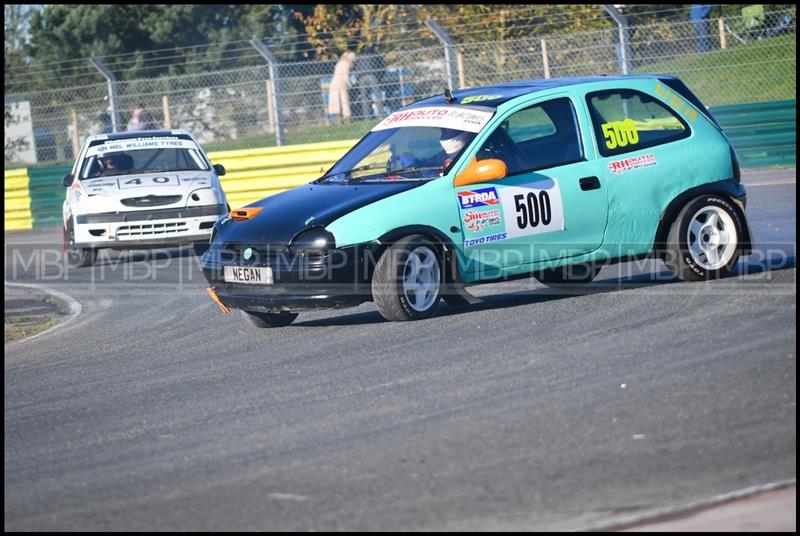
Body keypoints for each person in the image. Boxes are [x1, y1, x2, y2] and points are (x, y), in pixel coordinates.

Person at [354, 46, 387, 119]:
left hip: (361, 76)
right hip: (373, 75)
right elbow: (383, 66)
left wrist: (357, 78)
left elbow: (355, 67)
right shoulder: (375, 55)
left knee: (364, 97)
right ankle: (381, 115)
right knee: (377, 95)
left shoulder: (359, 56)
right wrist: (379, 77)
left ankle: (367, 116)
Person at [328, 51, 357, 124]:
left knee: (335, 100)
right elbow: (345, 76)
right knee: (344, 100)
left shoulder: (339, 63)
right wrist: (350, 85)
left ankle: (338, 118)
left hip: (334, 82)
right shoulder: (346, 64)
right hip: (341, 83)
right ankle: (347, 117)